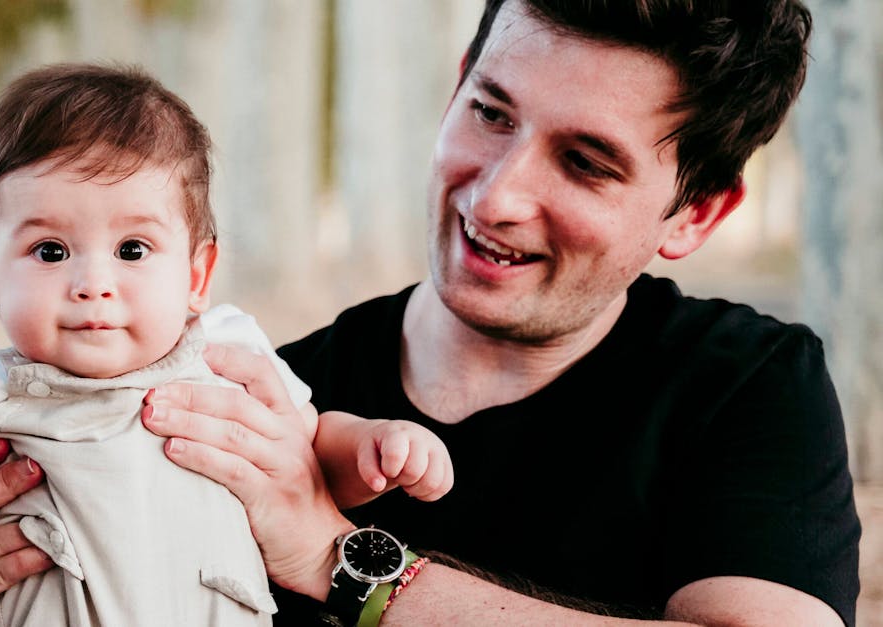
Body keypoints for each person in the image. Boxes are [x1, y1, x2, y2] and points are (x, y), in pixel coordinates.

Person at [132, 0, 859, 625]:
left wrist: (338, 560)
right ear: (456, 87)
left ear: (695, 214)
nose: (495, 199)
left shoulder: (748, 387)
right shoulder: (259, 400)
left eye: (585, 162)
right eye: (491, 112)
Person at [0, 64, 454, 626]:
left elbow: (312, 456)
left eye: (133, 248)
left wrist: (372, 446)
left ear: (198, 274)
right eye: (51, 249)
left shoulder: (228, 354)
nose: (94, 282)